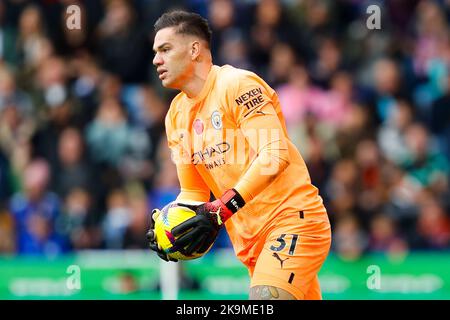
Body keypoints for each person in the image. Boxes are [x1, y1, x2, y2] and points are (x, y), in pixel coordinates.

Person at [147, 10, 331, 300]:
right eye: (156, 52)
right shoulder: (176, 115)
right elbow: (194, 192)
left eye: (165, 49)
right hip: (249, 242)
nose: (157, 59)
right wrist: (169, 231)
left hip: (291, 220)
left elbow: (274, 154)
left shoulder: (237, 85)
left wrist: (222, 208)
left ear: (195, 49)